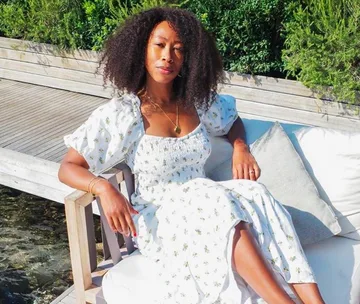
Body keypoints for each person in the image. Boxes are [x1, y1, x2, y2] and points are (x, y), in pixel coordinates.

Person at [58, 7, 325, 304]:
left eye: (178, 49)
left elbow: (231, 120)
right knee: (210, 196)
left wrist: (240, 147)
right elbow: (68, 166)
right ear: (141, 49)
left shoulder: (196, 101)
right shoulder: (123, 113)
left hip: (204, 202)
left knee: (256, 192)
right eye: (159, 45)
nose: (167, 56)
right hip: (159, 214)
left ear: (188, 58)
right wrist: (103, 188)